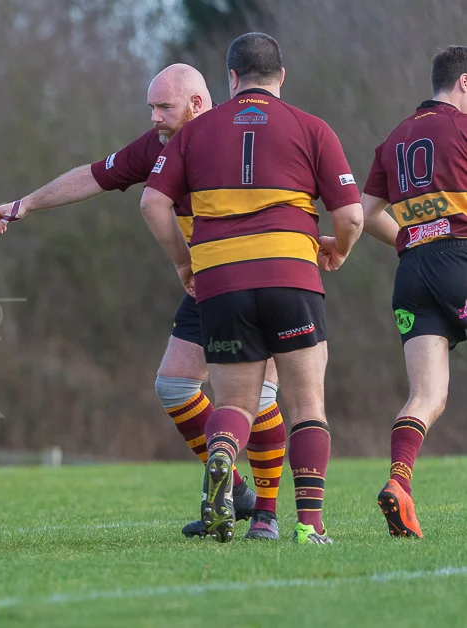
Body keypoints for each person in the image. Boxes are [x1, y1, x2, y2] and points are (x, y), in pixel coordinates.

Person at [0, 63, 289, 540]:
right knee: (175, 385)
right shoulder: (161, 147)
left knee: (259, 393)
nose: (154, 117)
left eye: (164, 107)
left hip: (263, 275)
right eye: (151, 107)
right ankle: (238, 492)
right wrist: (27, 204)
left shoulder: (236, 136)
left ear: (198, 104)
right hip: (208, 282)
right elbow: (94, 175)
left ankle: (267, 515)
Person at [141, 32, 363, 545]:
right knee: (306, 405)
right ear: (281, 77)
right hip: (291, 274)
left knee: (236, 405)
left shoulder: (194, 134)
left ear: (231, 79)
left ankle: (221, 456)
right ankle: (308, 527)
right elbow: (350, 214)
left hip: (220, 282)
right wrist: (340, 248)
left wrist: (184, 262)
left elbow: (151, 204)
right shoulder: (312, 128)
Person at [360, 45, 467, 538]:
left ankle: (399, 484)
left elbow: (360, 216)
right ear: (464, 83)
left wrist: (409, 237)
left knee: (426, 395)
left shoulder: (396, 138)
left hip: (413, 274)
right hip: (459, 259)